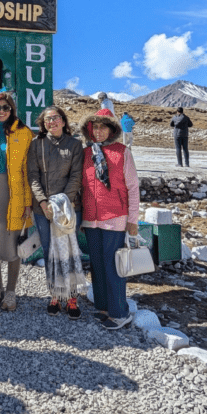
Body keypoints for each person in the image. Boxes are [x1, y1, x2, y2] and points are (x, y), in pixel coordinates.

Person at [80, 112, 140, 330]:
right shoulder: (86, 153)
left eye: (103, 127)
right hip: (91, 218)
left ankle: (119, 312)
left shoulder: (122, 153)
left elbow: (133, 187)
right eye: (94, 127)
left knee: (113, 265)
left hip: (115, 216)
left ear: (112, 130)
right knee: (96, 265)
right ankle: (103, 308)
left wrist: (133, 220)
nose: (98, 131)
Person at [0, 92, 34, 312]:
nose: (2, 111)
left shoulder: (24, 133)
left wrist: (28, 201)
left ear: (12, 110)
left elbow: (29, 171)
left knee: (13, 243)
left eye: (6, 108)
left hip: (16, 192)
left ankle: (11, 292)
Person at [27, 105, 84, 318]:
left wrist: (61, 203)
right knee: (51, 251)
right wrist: (42, 202)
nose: (52, 122)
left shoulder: (75, 145)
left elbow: (76, 176)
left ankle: (71, 297)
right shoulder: (36, 145)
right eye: (48, 119)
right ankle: (54, 295)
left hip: (68, 209)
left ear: (63, 120)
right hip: (43, 210)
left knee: (68, 251)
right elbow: (33, 175)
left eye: (56, 118)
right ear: (43, 123)